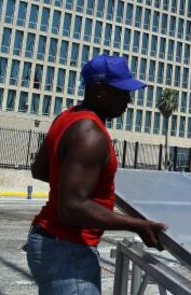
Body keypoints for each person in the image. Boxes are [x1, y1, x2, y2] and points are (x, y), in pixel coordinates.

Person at [26, 55, 168, 295]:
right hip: (68, 253)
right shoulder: (91, 135)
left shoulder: (67, 116)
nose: (129, 100)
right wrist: (138, 226)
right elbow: (71, 208)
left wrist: (77, 184)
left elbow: (40, 171)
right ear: (99, 91)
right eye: (122, 92)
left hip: (49, 242)